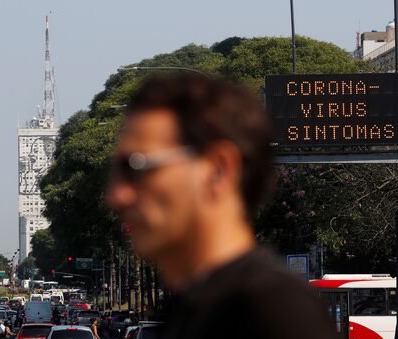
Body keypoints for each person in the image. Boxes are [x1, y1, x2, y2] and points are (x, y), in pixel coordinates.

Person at [105, 74, 339, 339]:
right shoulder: (192, 307)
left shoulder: (271, 308)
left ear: (219, 170)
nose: (116, 195)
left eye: (135, 168)